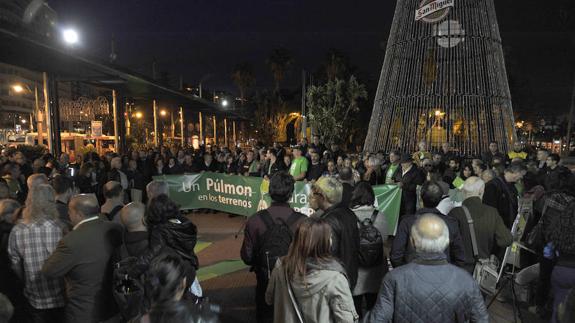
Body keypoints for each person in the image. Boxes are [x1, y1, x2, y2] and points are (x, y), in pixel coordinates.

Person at [366, 214, 489, 323]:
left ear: (413, 242)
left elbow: (377, 319)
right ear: (447, 242)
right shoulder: (466, 280)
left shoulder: (394, 278)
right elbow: (481, 319)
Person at [42, 194, 123, 323]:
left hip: (84, 312)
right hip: (114, 307)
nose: (68, 214)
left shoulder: (70, 241)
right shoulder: (115, 228)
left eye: (69, 211)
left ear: (78, 214)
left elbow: (49, 271)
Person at [265, 217, 359, 323]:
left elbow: (269, 299)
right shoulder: (335, 279)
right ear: (324, 243)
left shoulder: (280, 266)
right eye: (330, 236)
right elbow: (346, 320)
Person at [241, 172, 306, 323]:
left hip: (265, 279)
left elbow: (247, 257)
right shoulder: (303, 221)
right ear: (291, 194)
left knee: (265, 315)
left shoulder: (255, 220)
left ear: (270, 192)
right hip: (295, 282)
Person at [8, 185, 66, 323]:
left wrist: (26, 280)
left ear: (29, 201)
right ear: (51, 202)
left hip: (34, 296)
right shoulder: (60, 228)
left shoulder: (17, 230)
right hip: (60, 295)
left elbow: (15, 265)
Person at [390, 181, 465, 267]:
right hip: (443, 276)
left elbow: (396, 256)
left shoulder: (407, 222)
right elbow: (460, 257)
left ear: (420, 198)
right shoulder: (451, 223)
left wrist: (405, 273)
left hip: (412, 275)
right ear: (440, 199)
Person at [448, 177, 513, 273]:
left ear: (463, 192)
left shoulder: (455, 213)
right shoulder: (492, 212)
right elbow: (506, 240)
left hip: (459, 270)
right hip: (483, 271)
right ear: (481, 191)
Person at [310, 176, 360, 290]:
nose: (313, 197)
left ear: (323, 197)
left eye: (315, 194)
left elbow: (327, 255)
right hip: (349, 275)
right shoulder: (349, 213)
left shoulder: (328, 221)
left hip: (334, 281)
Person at [145, 195, 198, 292]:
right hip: (189, 268)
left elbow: (151, 254)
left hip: (173, 273)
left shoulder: (159, 231)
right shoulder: (186, 224)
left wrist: (132, 271)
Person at [350, 182, 387, 318]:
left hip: (356, 272)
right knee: (374, 310)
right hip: (376, 271)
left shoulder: (349, 216)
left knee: (355, 311)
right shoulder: (381, 216)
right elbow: (384, 240)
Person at [483, 164, 524, 229]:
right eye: (522, 175)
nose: (522, 177)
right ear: (516, 173)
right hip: (498, 227)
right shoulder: (492, 186)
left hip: (508, 227)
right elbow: (489, 209)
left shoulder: (512, 187)